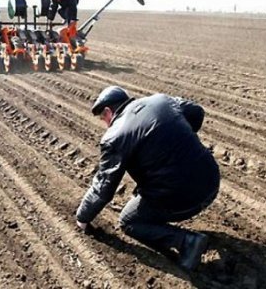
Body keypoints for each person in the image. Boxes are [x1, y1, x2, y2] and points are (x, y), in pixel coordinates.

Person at [75, 86, 220, 271]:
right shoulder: (162, 100)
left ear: (108, 111)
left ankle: (187, 243)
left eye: (103, 119)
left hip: (185, 199)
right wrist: (177, 144)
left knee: (129, 220)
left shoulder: (114, 136)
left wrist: (83, 217)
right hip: (211, 180)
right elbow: (196, 112)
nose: (105, 124)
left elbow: (104, 187)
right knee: (149, 188)